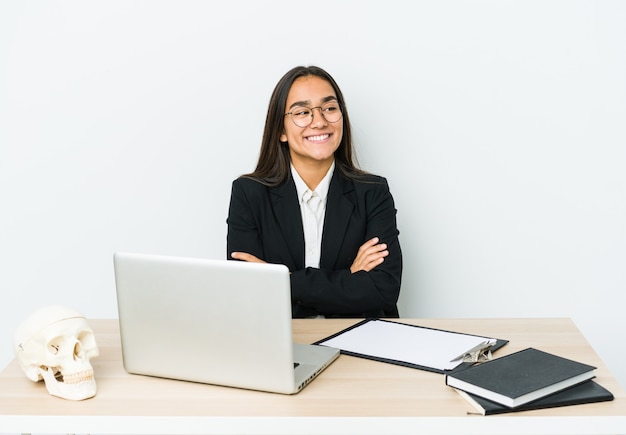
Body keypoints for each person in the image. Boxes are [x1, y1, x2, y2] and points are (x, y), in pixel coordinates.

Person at [226, 65, 402, 318]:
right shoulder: (249, 194)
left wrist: (284, 282)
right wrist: (348, 278)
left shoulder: (372, 192)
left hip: (359, 339)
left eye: (329, 108)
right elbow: (248, 294)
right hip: (282, 341)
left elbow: (381, 291)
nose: (319, 121)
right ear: (281, 131)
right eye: (302, 112)